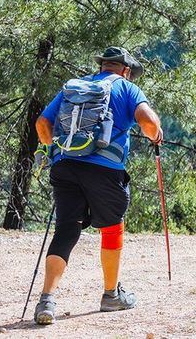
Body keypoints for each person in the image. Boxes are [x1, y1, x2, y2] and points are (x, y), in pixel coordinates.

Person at [32, 47, 163, 325]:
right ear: (125, 71)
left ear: (102, 66)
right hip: (105, 170)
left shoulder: (74, 87)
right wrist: (156, 135)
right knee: (112, 226)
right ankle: (110, 295)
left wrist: (53, 150)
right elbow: (149, 123)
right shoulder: (127, 89)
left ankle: (47, 300)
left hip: (65, 165)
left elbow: (43, 124)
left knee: (67, 228)